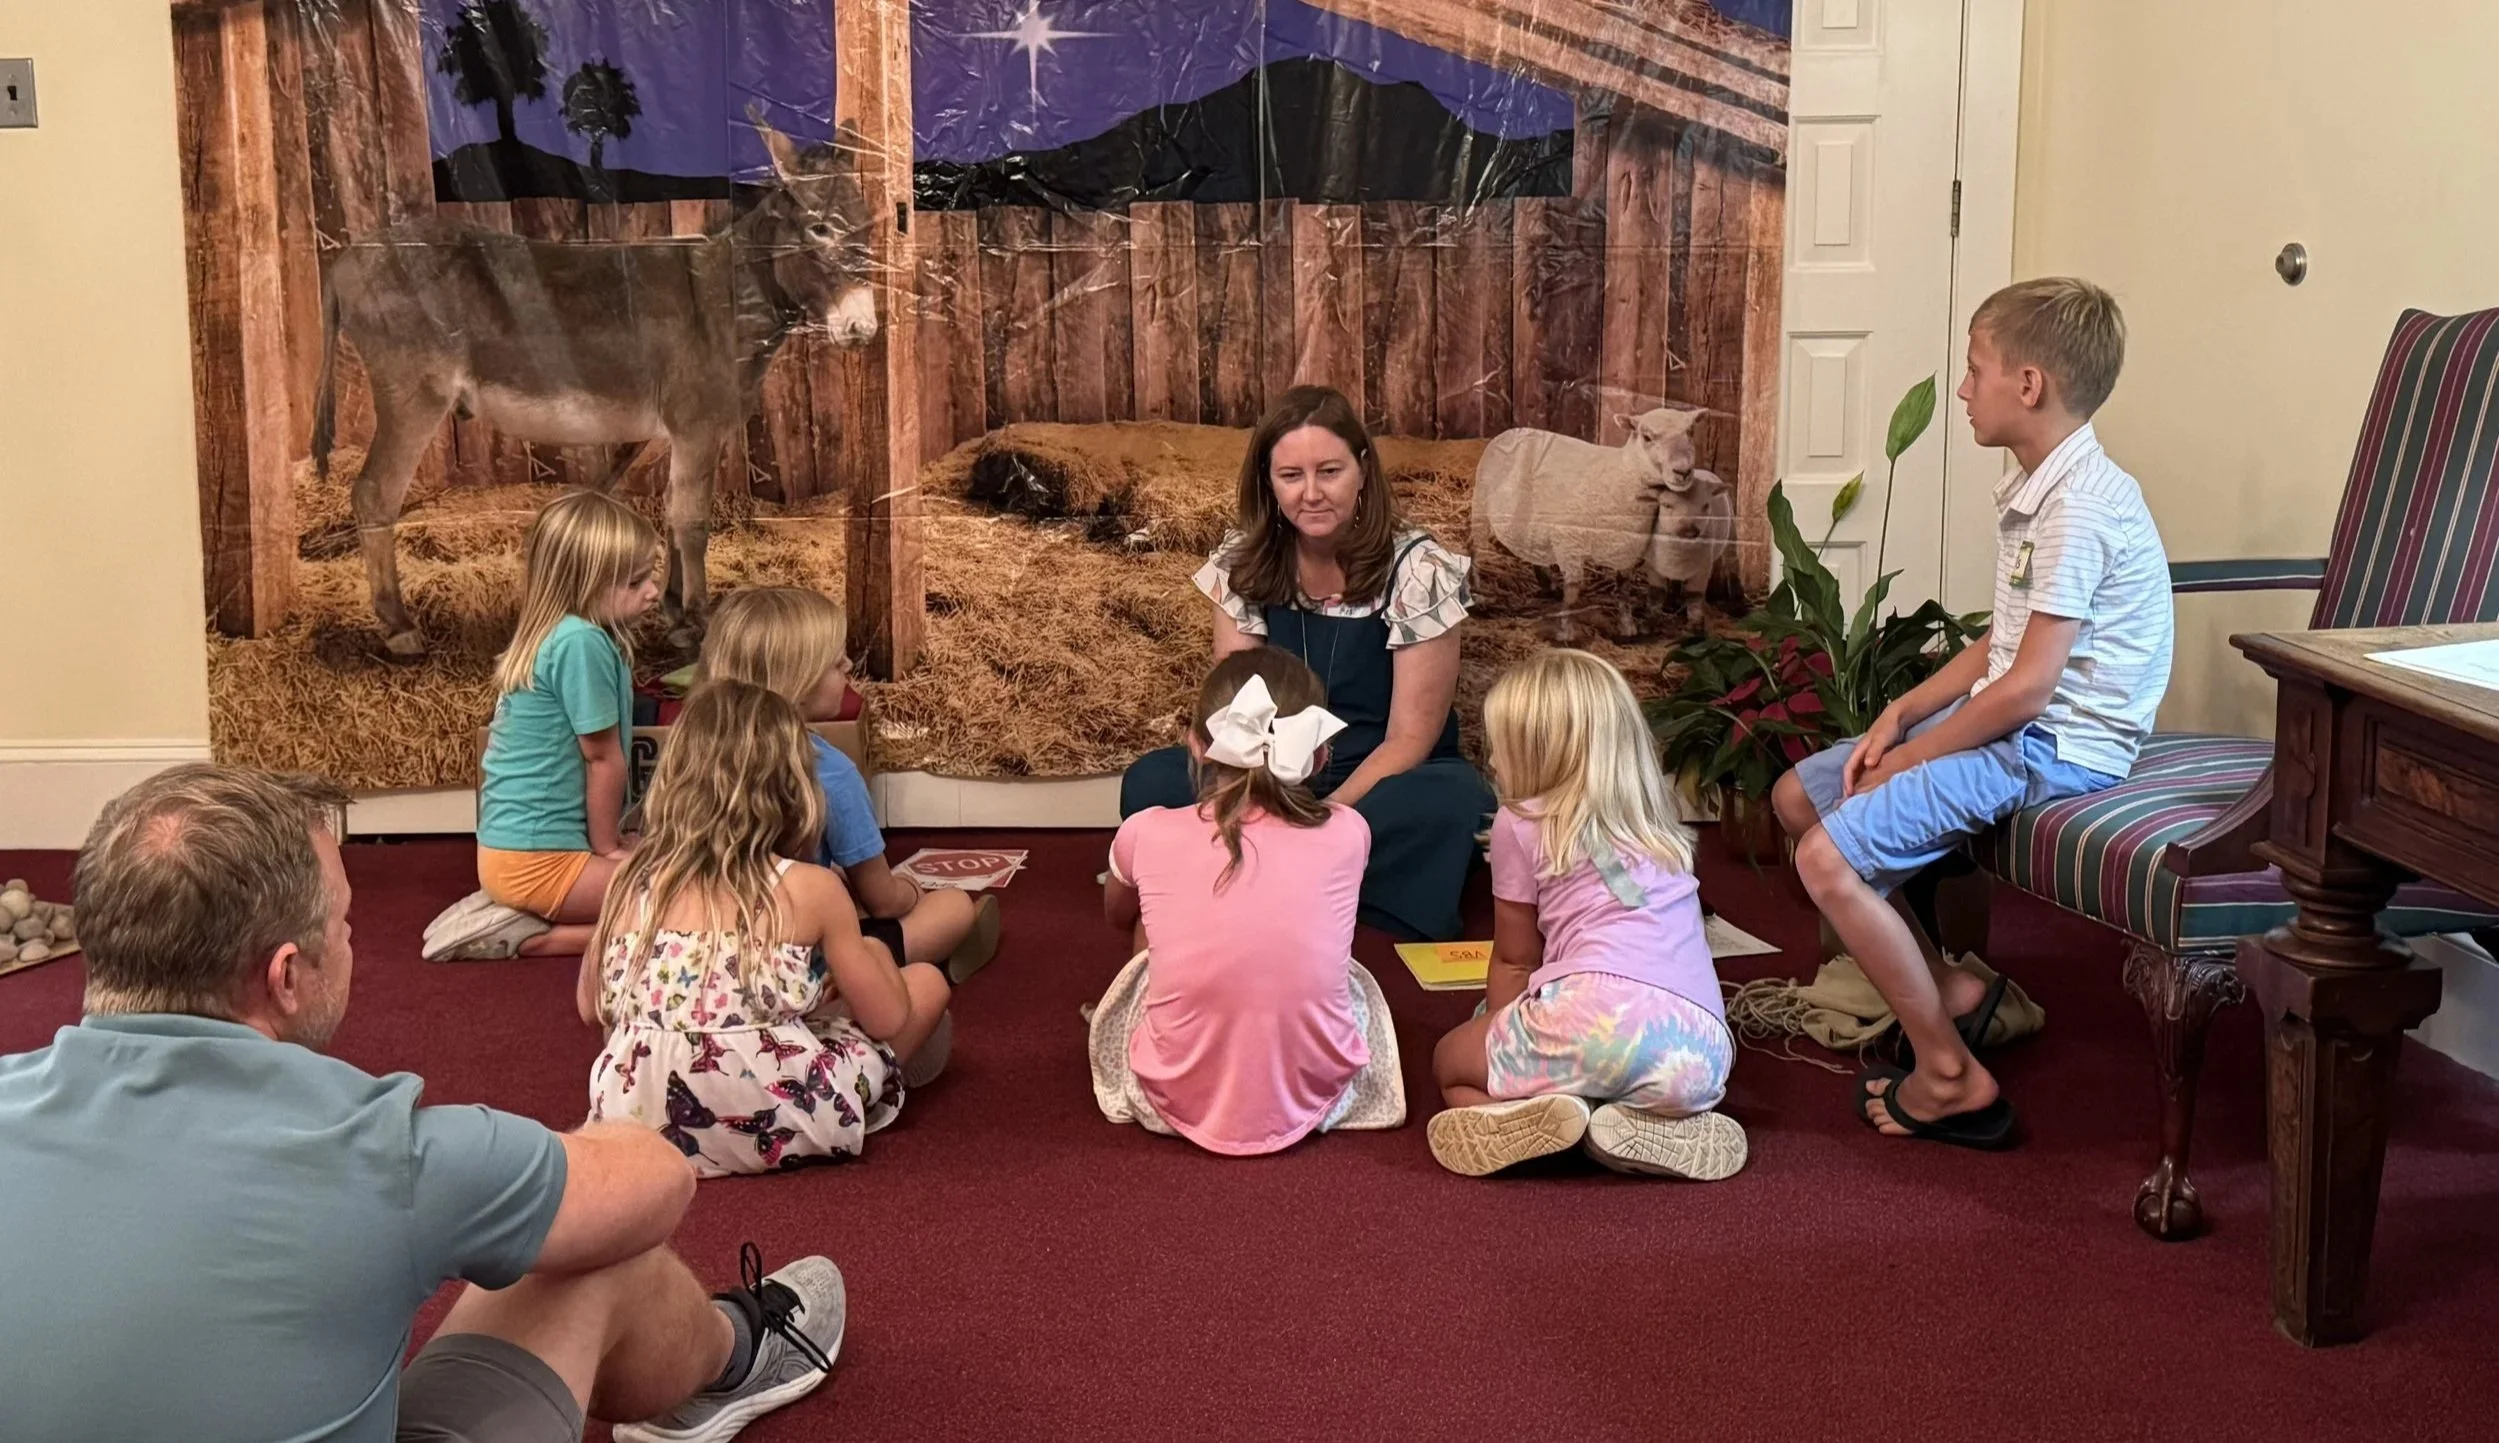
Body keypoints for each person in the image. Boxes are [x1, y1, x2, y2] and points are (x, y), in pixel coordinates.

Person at [0, 763, 843, 1443]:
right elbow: (657, 1182)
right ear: (287, 975)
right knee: (596, 1248)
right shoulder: (383, 1151)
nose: (353, 940)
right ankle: (734, 1354)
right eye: (344, 921)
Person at [1771, 276, 2173, 1148]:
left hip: (2054, 743)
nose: (1961, 389)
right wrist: (1901, 713)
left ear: (2027, 385)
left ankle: (1950, 1070)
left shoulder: (2077, 507)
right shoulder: (2041, 484)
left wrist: (1913, 758)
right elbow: (2006, 643)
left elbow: (2026, 691)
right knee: (1800, 797)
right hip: (2019, 716)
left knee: (1825, 858)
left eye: (1973, 369)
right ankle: (1949, 988)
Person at [1118, 385, 1495, 942]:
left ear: (1363, 470)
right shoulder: (1244, 563)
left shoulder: (1418, 569)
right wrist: (1268, 803)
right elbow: (1236, 715)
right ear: (1268, 482)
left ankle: (1265, 889)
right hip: (1264, 770)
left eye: (1330, 471)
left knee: (1446, 804)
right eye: (1291, 476)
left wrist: (1322, 819)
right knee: (1151, 781)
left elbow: (1410, 740)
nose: (1312, 494)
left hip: (1378, 776)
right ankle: (1293, 883)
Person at [586, 680, 954, 1177]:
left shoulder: (630, 881)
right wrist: (875, 953)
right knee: (925, 984)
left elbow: (591, 1008)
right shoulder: (814, 887)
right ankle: (862, 1085)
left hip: (635, 1122)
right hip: (779, 1118)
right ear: (794, 786)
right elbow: (888, 1018)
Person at [1427, 649, 1746, 1179]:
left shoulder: (1520, 821)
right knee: (1620, 1067)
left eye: (1500, 747)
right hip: (1702, 1046)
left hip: (1584, 1018)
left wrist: (1498, 1032)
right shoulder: (1659, 826)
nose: (1492, 762)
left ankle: (1527, 1115)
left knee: (1450, 1060)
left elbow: (1514, 961)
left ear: (1536, 753)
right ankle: (1628, 1126)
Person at [1094, 649, 1406, 1154]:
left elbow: (1116, 914)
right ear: (1320, 755)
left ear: (1196, 746)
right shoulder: (1351, 831)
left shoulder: (1145, 830)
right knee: (1346, 974)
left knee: (1148, 933)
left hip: (1170, 1092)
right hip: (1316, 1090)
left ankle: (1178, 1032)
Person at [698, 586, 1001, 983]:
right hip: (803, 963)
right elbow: (884, 900)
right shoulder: (829, 770)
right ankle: (881, 976)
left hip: (698, 956)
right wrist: (911, 889)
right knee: (952, 906)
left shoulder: (690, 758)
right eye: (832, 661)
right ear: (795, 682)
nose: (848, 664)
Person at [429, 488, 663, 960]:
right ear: (586, 581)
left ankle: (525, 912)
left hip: (513, 857)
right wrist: (608, 847)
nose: (653, 591)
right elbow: (601, 758)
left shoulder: (556, 635)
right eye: (636, 581)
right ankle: (538, 937)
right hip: (540, 866)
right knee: (685, 897)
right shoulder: (582, 644)